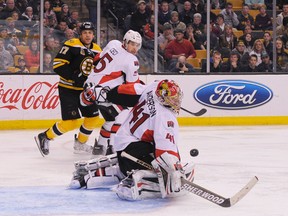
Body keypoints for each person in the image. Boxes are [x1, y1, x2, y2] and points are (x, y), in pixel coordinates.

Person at [68, 79, 195, 201]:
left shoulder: (152, 88)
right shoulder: (166, 118)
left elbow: (125, 90)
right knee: (163, 170)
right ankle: (133, 183)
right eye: (173, 99)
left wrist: (108, 94)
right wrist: (174, 170)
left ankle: (92, 172)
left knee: (145, 152)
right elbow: (165, 153)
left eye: (177, 98)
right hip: (134, 155)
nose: (176, 102)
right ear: (162, 98)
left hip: (122, 147)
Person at [34, 22, 102, 156]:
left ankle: (80, 144)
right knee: (71, 123)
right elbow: (58, 65)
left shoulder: (98, 50)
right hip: (68, 88)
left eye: (90, 33)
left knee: (93, 117)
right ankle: (45, 136)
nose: (87, 35)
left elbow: (99, 70)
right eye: (84, 33)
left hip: (85, 91)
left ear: (93, 34)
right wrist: (74, 76)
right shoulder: (72, 44)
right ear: (80, 34)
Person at [80, 30, 142, 156]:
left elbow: (97, 59)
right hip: (102, 93)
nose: (134, 48)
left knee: (111, 119)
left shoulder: (113, 43)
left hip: (89, 87)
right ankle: (113, 147)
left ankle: (100, 147)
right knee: (124, 114)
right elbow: (131, 86)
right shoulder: (132, 60)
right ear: (125, 42)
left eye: (137, 45)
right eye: (132, 44)